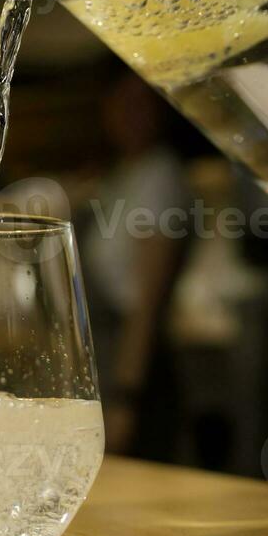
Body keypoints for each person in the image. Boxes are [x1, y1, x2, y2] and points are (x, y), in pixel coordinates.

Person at [79, 74, 191, 459]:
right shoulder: (122, 175)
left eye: (143, 104)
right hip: (109, 352)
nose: (132, 116)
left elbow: (147, 302)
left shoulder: (161, 175)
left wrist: (127, 397)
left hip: (135, 359)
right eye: (123, 104)